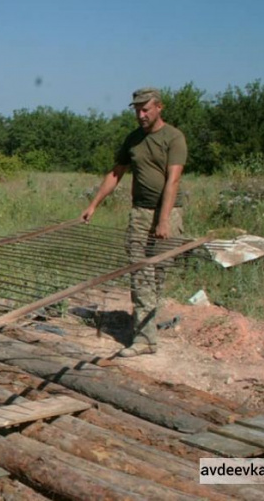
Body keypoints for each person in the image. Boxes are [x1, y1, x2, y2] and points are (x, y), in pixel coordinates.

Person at [80, 87, 187, 357]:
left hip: (168, 214)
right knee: (141, 275)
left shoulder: (174, 138)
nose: (140, 114)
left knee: (157, 277)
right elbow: (116, 173)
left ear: (159, 107)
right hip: (139, 213)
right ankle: (144, 340)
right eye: (137, 109)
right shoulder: (133, 139)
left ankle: (146, 332)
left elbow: (172, 180)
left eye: (145, 109)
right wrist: (93, 205)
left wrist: (163, 220)